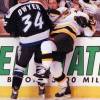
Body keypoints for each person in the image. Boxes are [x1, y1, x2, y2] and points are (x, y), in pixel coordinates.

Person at [4, 0, 53, 99]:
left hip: (27, 41)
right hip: (43, 39)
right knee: (40, 64)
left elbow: (9, 28)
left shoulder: (12, 10)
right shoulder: (38, 4)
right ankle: (42, 89)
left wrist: (19, 31)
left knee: (20, 67)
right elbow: (48, 21)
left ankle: (15, 91)